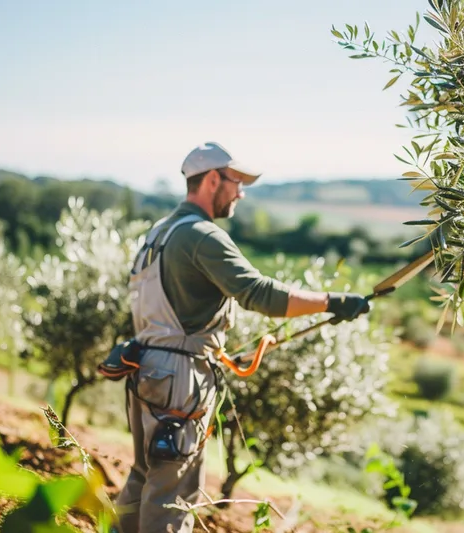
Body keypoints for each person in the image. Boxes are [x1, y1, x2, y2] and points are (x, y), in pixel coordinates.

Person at [113, 142, 371, 532]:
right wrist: (332, 302)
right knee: (172, 493)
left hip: (147, 368)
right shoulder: (201, 235)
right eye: (237, 182)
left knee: (145, 476)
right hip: (180, 378)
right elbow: (260, 294)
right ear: (213, 179)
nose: (241, 192)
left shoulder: (159, 233)